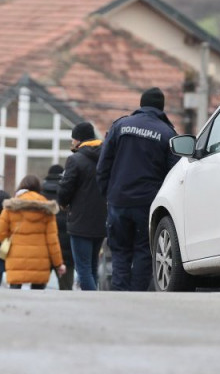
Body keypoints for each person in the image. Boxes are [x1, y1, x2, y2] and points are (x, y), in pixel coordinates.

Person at [97, 87, 179, 291]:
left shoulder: (120, 126)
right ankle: (137, 296)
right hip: (147, 204)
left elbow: (103, 164)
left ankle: (119, 292)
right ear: (161, 107)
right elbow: (174, 173)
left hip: (119, 202)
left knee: (120, 251)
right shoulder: (167, 133)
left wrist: (107, 194)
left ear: (141, 104)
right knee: (144, 251)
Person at [59, 121, 108, 291]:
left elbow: (66, 188)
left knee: (83, 268)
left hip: (80, 221)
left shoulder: (75, 159)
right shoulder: (106, 157)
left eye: (73, 139)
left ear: (78, 140)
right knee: (92, 266)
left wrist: (63, 203)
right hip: (101, 220)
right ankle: (96, 298)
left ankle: (93, 300)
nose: (72, 143)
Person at [0, 175, 66, 290]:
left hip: (16, 258)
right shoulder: (47, 208)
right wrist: (58, 263)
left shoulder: (11, 206)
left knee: (15, 293)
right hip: (40, 261)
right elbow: (52, 240)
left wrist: (10, 240)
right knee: (38, 296)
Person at [42, 165, 74, 290]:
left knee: (37, 289)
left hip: (44, 249)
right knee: (66, 289)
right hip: (66, 250)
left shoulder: (39, 194)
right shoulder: (70, 193)